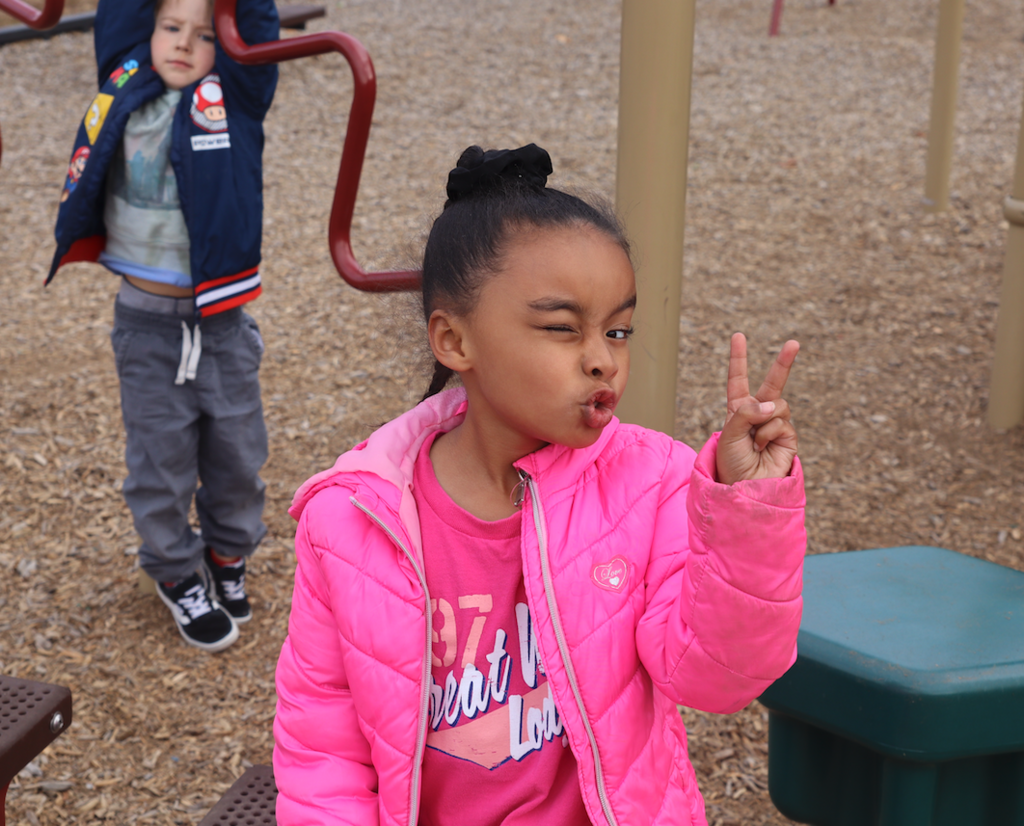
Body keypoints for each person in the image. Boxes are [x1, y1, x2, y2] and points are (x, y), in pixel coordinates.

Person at [273, 144, 806, 825]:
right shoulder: (351, 519)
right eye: (562, 329)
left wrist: (747, 511)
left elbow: (718, 679)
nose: (601, 360)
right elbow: (323, 748)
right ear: (455, 341)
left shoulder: (654, 483)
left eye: (619, 330)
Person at [47, 0, 280, 652]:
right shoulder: (124, 78)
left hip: (222, 324)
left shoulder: (234, 97)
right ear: (149, 30)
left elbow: (253, 31)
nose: (184, 44)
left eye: (205, 35)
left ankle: (228, 556)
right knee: (160, 462)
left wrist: (237, 26)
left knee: (237, 454)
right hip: (146, 326)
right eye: (171, 27)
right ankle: (177, 572)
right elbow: (122, 11)